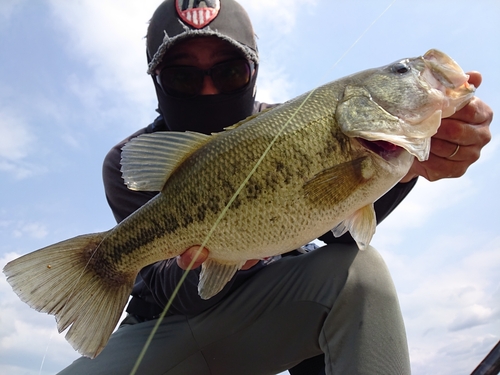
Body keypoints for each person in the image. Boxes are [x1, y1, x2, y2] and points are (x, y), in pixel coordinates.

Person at [57, 1, 493, 374]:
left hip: (275, 315)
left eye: (228, 72)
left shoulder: (300, 122)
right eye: (184, 77)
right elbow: (159, 286)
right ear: (157, 79)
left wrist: (414, 166)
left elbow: (331, 221)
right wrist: (220, 261)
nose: (208, 89)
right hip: (165, 326)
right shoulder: (130, 157)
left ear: (252, 70)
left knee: (359, 272)